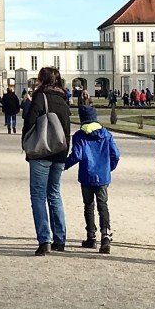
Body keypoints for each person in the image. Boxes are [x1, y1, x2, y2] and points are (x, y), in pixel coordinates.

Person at [22, 66, 71, 256]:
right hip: (59, 151)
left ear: (42, 80)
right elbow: (66, 129)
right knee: (55, 194)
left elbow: (30, 121)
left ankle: (44, 240)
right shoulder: (63, 98)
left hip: (42, 151)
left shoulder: (40, 96)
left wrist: (26, 144)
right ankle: (60, 239)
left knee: (38, 196)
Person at [64, 104, 119, 254]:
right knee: (103, 205)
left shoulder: (79, 136)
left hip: (87, 175)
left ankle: (91, 236)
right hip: (102, 175)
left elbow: (76, 156)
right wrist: (109, 168)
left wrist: (63, 166)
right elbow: (116, 155)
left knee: (88, 205)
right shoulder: (106, 134)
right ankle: (106, 235)